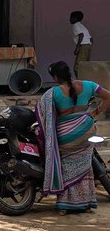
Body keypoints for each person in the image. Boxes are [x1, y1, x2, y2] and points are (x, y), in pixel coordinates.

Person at [36, 61, 110, 215]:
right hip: (86, 131)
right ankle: (88, 203)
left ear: (56, 77)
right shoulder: (89, 85)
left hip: (65, 136)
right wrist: (94, 113)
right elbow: (108, 97)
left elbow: (44, 115)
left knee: (65, 168)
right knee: (86, 166)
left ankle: (64, 205)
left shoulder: (52, 93)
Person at [70, 11, 93, 79]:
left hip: (83, 46)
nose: (70, 19)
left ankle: (81, 82)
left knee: (78, 67)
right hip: (88, 45)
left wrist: (77, 48)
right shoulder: (82, 26)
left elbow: (81, 35)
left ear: (75, 18)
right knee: (84, 66)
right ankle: (85, 80)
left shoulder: (75, 25)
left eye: (71, 18)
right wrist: (89, 46)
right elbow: (91, 39)